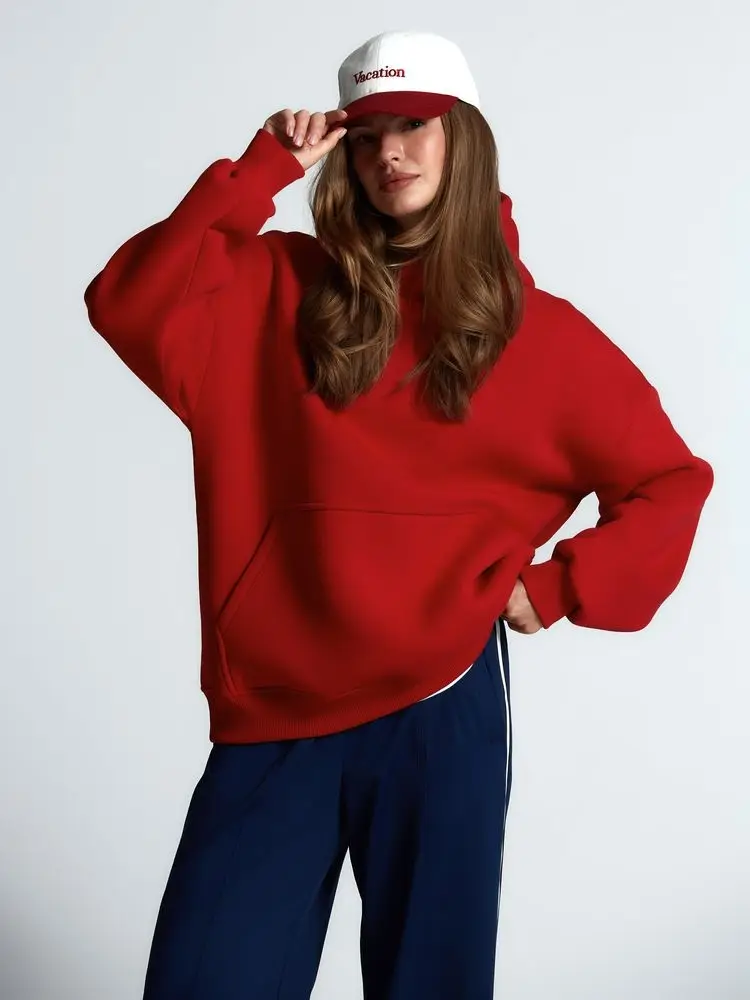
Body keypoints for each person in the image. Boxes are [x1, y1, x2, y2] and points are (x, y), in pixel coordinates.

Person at [83, 29, 714, 1000]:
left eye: (415, 125)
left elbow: (669, 479)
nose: (390, 153)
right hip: (277, 705)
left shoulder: (535, 332)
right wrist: (261, 169)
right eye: (368, 133)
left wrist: (560, 588)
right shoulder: (276, 291)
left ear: (465, 139)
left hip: (441, 705)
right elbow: (131, 301)